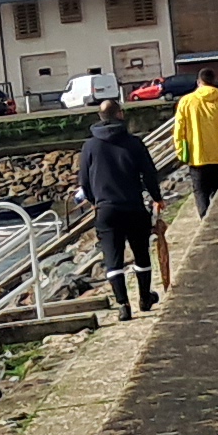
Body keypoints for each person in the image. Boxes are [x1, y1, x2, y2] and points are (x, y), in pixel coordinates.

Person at [76, 106, 165, 319]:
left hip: (106, 210)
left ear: (100, 116)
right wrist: (156, 197)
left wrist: (93, 200)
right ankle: (145, 297)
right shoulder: (134, 143)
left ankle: (123, 305)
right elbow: (149, 174)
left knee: (112, 258)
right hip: (133, 206)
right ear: (120, 115)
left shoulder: (90, 146)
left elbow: (84, 182)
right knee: (141, 254)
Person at [171, 72, 218, 211]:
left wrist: (181, 153)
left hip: (197, 158)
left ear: (199, 82)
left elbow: (179, 131)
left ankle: (205, 220)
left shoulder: (186, 101)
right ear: (213, 81)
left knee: (200, 192)